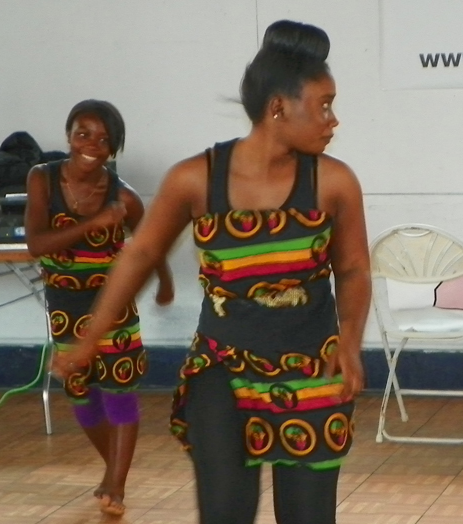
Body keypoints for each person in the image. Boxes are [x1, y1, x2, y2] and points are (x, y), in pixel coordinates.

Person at [52, 20, 371, 524]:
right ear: (279, 108)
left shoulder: (333, 183)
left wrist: (349, 343)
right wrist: (89, 343)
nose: (334, 120)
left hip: (315, 368)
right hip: (222, 370)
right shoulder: (195, 179)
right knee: (225, 513)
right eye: (324, 104)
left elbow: (353, 270)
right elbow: (137, 257)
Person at [25, 99, 174, 517]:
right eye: (83, 133)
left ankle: (118, 484)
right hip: (65, 309)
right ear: (69, 135)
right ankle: (113, 468)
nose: (91, 144)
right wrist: (92, 225)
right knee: (81, 394)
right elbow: (36, 244)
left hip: (114, 306)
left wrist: (164, 280)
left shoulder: (123, 197)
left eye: (103, 139)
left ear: (114, 149)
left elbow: (149, 245)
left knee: (119, 392)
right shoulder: (42, 180)